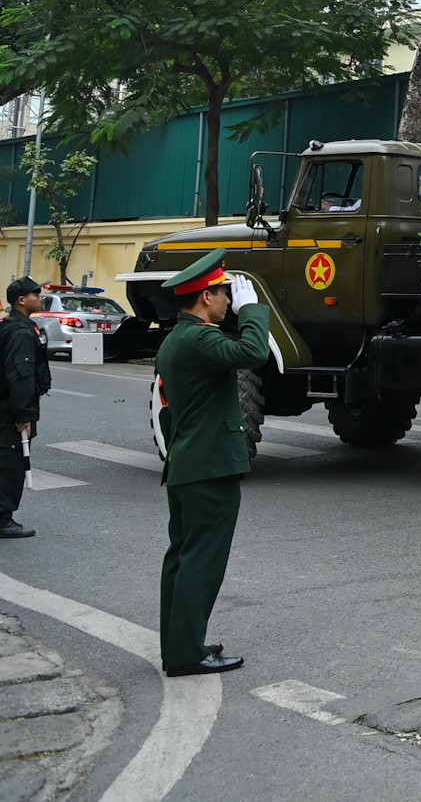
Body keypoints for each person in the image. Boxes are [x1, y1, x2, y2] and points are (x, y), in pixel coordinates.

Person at [155, 251, 264, 678]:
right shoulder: (200, 338)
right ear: (206, 296)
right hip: (208, 466)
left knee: (183, 557)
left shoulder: (177, 338)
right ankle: (185, 655)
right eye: (224, 294)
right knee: (201, 559)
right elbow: (253, 351)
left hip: (189, 462)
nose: (228, 302)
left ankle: (182, 645)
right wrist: (253, 308)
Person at [0, 278, 50, 539]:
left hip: (6, 407)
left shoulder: (13, 326)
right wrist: (24, 414)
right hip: (10, 411)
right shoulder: (20, 332)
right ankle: (3, 520)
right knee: (11, 464)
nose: (39, 297)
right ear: (21, 300)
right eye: (35, 293)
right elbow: (21, 376)